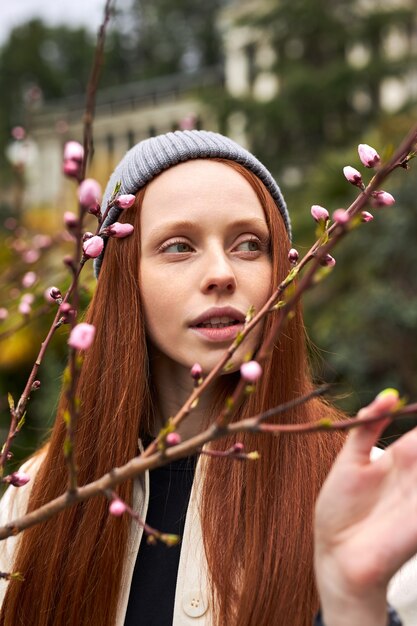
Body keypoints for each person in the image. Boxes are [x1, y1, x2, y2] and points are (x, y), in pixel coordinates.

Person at [0, 129, 416, 626]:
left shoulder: (364, 496)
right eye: (179, 247)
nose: (222, 273)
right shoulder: (37, 497)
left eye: (248, 245)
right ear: (123, 281)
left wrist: (353, 603)